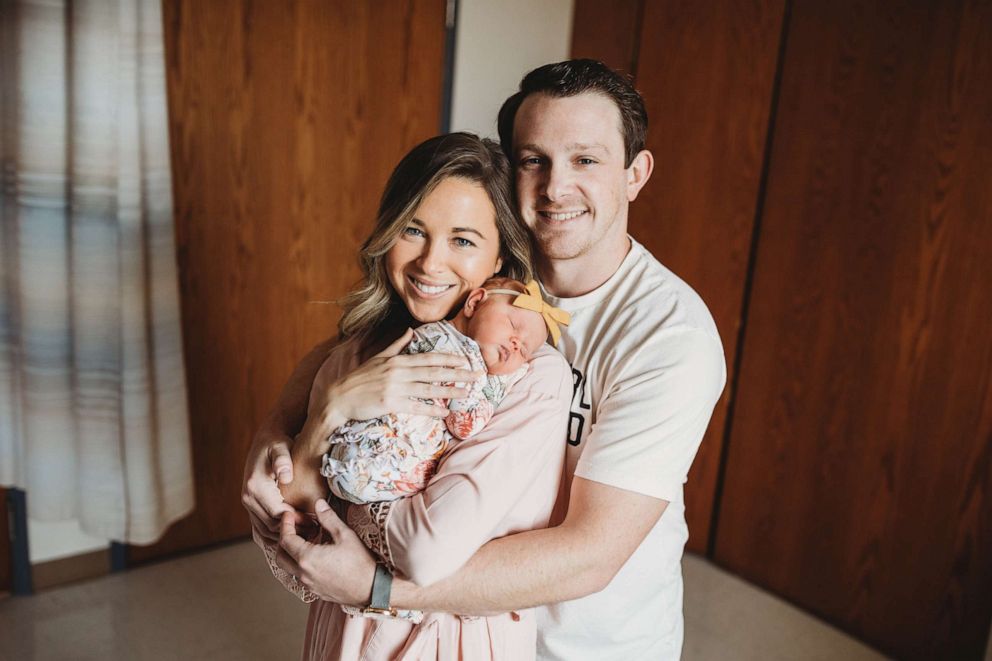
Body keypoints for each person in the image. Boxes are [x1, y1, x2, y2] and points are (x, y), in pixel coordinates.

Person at [246, 60, 726, 659]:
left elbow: (592, 553)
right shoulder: (489, 270)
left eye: (586, 160)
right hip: (442, 624)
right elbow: (364, 344)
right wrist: (282, 429)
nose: (555, 187)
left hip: (584, 641)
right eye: (534, 159)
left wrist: (378, 586)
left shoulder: (669, 334)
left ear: (635, 174)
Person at [250, 132, 572, 658]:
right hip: (344, 638)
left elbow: (426, 550)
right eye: (413, 230)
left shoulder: (530, 376)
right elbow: (297, 556)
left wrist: (352, 522)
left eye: (463, 240)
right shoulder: (354, 353)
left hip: (457, 642)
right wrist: (331, 410)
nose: (429, 263)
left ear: (498, 262)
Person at [281, 276, 567, 513]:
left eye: (526, 350)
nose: (517, 343)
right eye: (514, 326)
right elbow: (465, 424)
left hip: (357, 466)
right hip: (371, 463)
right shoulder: (452, 353)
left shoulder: (444, 339)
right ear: (475, 303)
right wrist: (508, 379)